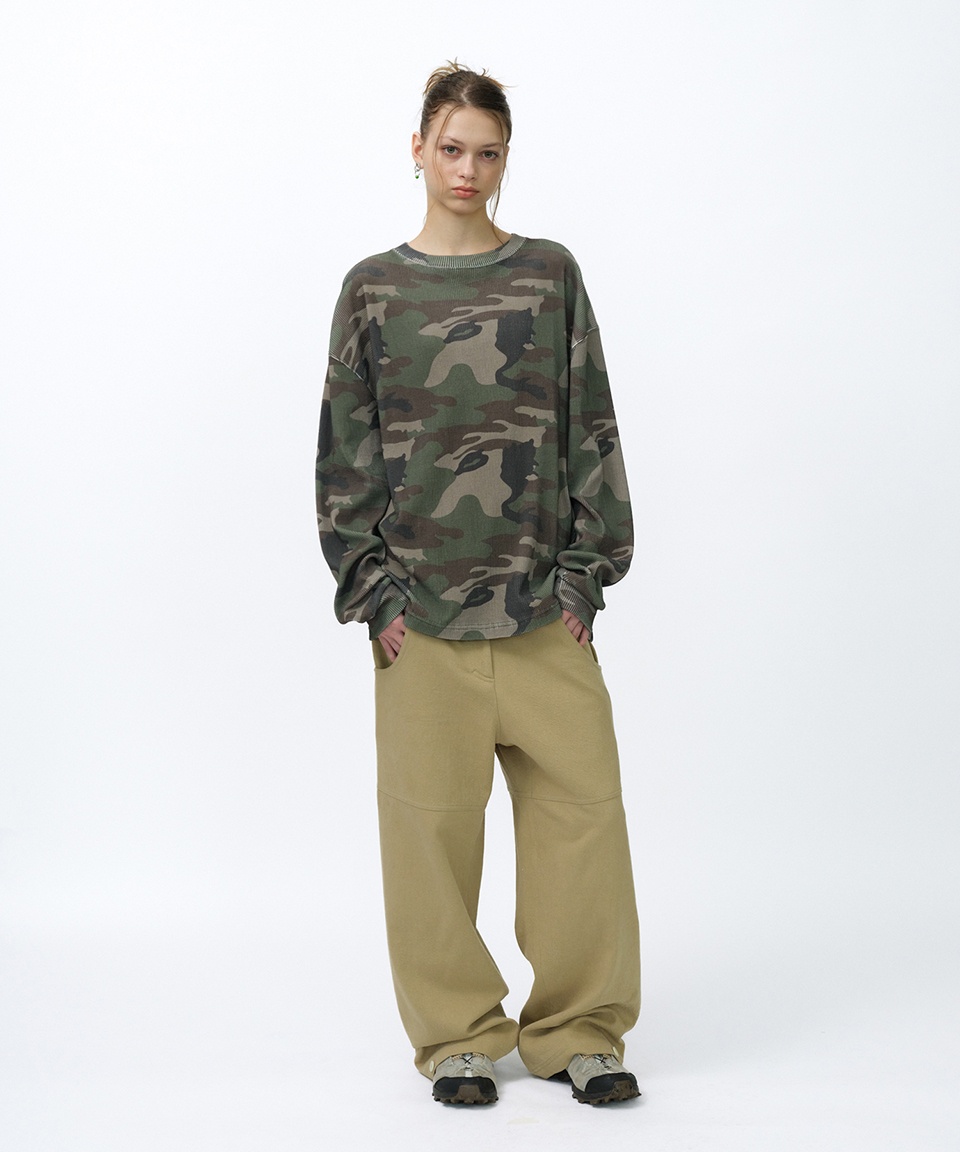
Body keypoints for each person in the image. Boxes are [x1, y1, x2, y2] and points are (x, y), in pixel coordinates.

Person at [315, 62, 641, 1107]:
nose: (468, 170)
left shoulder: (548, 276)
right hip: (422, 626)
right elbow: (345, 455)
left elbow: (591, 425)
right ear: (416, 149)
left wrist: (586, 579)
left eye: (487, 153)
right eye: (451, 148)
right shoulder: (374, 290)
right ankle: (457, 1037)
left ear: (506, 158)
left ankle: (580, 1033)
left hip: (544, 616)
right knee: (428, 838)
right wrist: (375, 597)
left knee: (582, 825)